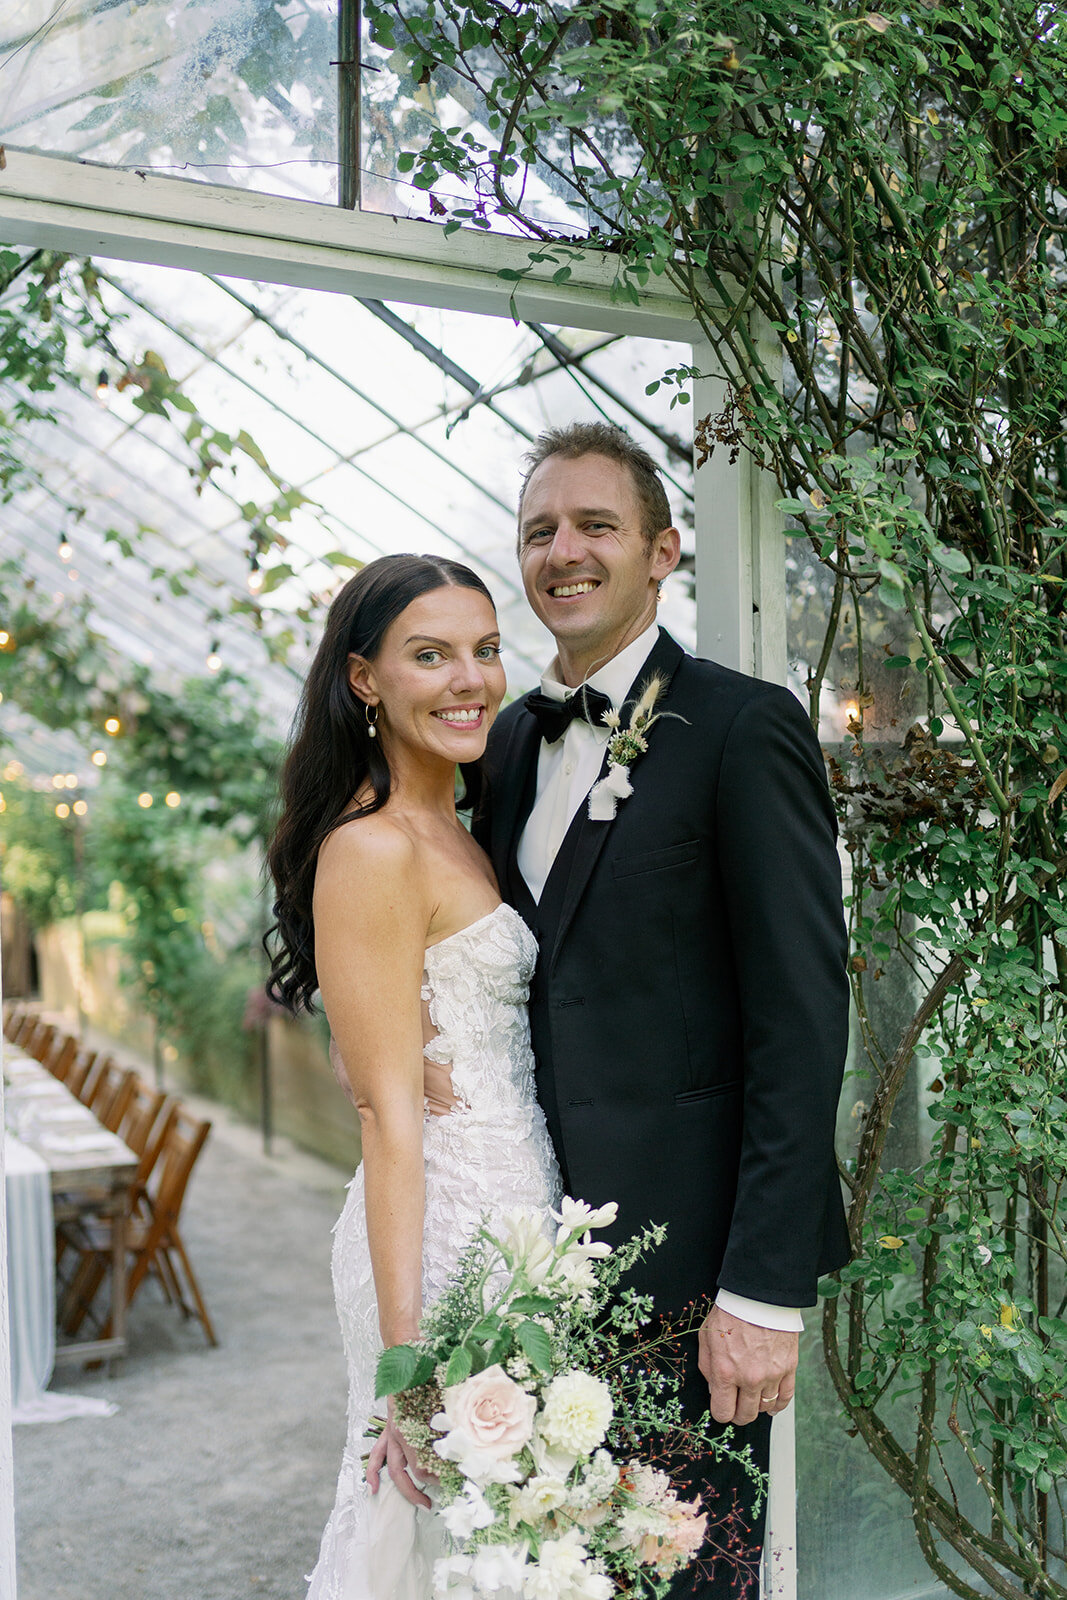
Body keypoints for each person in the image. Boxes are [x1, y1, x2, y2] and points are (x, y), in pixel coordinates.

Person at [474, 422, 851, 1596]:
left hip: (694, 1285)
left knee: (691, 1580)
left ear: (661, 552)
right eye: (540, 530)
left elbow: (800, 1020)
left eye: (594, 525)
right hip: (529, 1272)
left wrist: (759, 1292)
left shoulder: (742, 728)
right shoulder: (498, 746)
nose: (562, 551)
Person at [266, 554, 561, 1600]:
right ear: (364, 679)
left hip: (511, 1214)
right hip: (432, 1238)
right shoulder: (373, 846)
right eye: (427, 655)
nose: (468, 679)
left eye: (484, 649)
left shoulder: (464, 824)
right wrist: (407, 1366)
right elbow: (384, 1110)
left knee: (507, 1543)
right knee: (433, 1535)